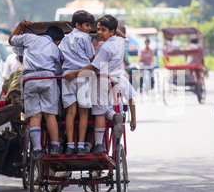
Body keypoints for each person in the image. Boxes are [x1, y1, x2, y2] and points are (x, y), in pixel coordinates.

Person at [64, 14, 128, 154]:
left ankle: (98, 144)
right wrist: (114, 30)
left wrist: (75, 73)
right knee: (107, 109)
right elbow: (124, 37)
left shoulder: (104, 48)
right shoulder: (120, 42)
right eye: (98, 29)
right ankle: (115, 118)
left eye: (103, 30)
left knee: (99, 113)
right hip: (116, 81)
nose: (98, 33)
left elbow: (94, 66)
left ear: (111, 32)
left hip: (103, 80)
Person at [8, 19, 64, 159]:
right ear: (57, 41)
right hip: (48, 79)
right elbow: (58, 71)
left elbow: (12, 40)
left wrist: (19, 25)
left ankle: (38, 149)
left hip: (30, 79)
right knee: (50, 114)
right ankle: (55, 146)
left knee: (35, 115)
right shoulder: (55, 49)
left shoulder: (30, 38)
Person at [59, 10, 96, 156]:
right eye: (87, 25)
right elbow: (92, 57)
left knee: (70, 112)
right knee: (84, 112)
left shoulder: (64, 39)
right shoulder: (85, 37)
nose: (88, 28)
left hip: (67, 76)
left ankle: (69, 145)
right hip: (83, 75)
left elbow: (61, 58)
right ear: (78, 25)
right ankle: (80, 145)